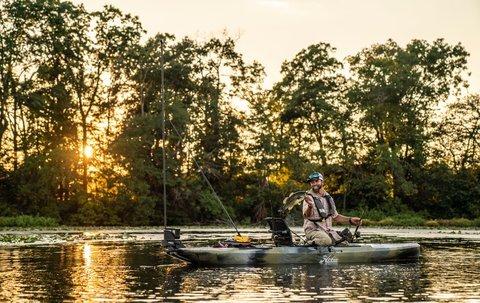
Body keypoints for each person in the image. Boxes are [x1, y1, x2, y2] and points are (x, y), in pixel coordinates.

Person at [303, 172, 361, 246]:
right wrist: (310, 206)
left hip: (327, 231)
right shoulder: (308, 197)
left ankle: (324, 243)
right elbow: (306, 215)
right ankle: (307, 243)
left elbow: (335, 217)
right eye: (312, 182)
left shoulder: (328, 198)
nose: (314, 184)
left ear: (322, 181)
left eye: (316, 181)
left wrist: (350, 220)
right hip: (312, 231)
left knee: (345, 242)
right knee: (326, 240)